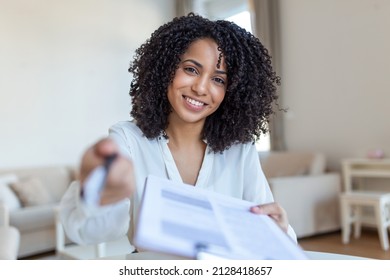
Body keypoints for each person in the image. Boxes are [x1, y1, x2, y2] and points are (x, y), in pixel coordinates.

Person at [59, 13, 297, 253]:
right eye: (191, 69)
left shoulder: (240, 149)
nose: (201, 88)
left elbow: (273, 236)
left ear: (232, 92)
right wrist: (100, 193)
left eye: (218, 79)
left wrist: (279, 229)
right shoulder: (128, 140)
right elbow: (91, 232)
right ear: (165, 69)